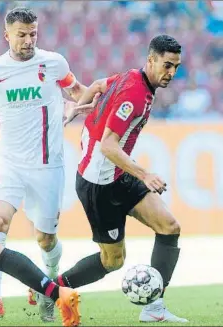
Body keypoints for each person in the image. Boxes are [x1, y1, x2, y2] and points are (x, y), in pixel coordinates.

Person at [0, 7, 88, 321]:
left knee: (45, 239)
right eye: (21, 35)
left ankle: (50, 278)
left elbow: (77, 90)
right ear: (7, 35)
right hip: (10, 163)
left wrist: (82, 103)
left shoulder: (54, 63)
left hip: (47, 166)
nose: (28, 40)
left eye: (33, 34)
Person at [59, 35, 188, 323]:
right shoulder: (134, 94)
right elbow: (108, 145)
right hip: (98, 185)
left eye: (176, 67)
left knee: (169, 227)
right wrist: (146, 174)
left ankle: (154, 309)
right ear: (151, 60)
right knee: (113, 261)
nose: (172, 73)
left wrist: (77, 107)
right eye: (167, 65)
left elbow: (97, 86)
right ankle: (53, 288)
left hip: (117, 174)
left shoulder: (132, 77)